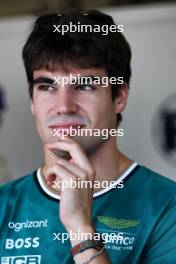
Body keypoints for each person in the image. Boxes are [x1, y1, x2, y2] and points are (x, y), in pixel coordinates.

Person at [0, 9, 176, 264]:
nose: (63, 106)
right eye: (47, 87)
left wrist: (80, 229)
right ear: (32, 101)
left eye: (84, 86)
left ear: (119, 97)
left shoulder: (167, 206)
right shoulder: (5, 204)